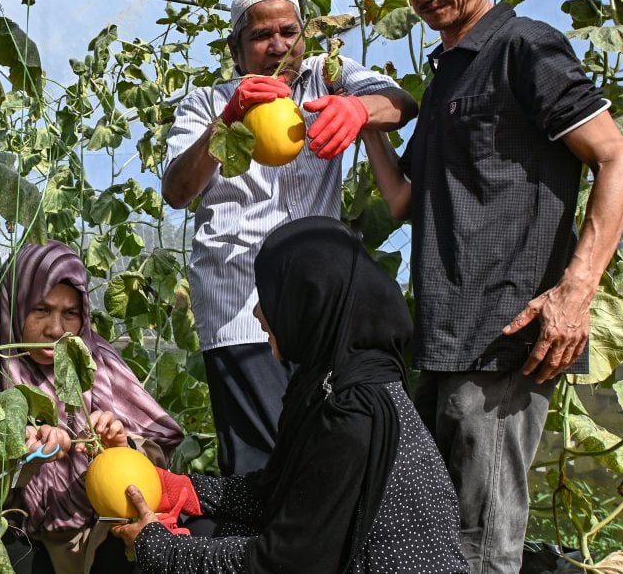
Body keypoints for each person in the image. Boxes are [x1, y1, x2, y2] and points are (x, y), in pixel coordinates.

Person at [360, 0, 623, 573]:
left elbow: (614, 159)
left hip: (502, 335)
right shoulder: (450, 72)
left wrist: (574, 292)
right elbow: (403, 202)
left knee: (480, 548)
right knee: (425, 530)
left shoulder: (523, 46)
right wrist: (364, 123)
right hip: (446, 334)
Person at [111, 216, 469, 573]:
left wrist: (159, 549)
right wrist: (184, 490)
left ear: (310, 300)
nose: (258, 311)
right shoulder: (330, 384)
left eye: (271, 293)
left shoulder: (355, 413)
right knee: (204, 529)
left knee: (188, 547)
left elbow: (286, 563)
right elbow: (275, 493)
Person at [162, 0, 418, 475]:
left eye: (289, 31)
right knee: (263, 464)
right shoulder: (205, 102)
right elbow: (176, 190)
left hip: (318, 309)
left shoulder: (328, 76)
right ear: (236, 49)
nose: (278, 45)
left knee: (331, 456)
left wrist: (358, 108)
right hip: (238, 306)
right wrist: (228, 118)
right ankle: (261, 553)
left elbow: (401, 103)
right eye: (261, 35)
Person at [0, 241, 184, 574]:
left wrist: (122, 444)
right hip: (16, 529)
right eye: (41, 309)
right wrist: (22, 455)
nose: (56, 329)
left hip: (101, 530)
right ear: (13, 304)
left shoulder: (98, 359)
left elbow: (157, 445)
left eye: (69, 313)